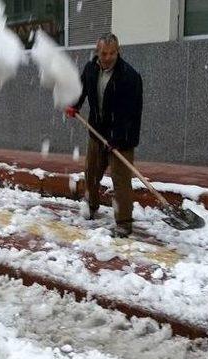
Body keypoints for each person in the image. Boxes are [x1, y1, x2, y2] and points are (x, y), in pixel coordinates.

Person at [65, 33, 143, 237]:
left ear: (118, 51)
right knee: (91, 172)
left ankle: (124, 222)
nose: (108, 57)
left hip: (121, 138)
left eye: (112, 53)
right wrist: (75, 104)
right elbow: (81, 89)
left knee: (121, 181)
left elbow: (131, 113)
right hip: (97, 132)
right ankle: (91, 205)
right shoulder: (91, 68)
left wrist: (118, 139)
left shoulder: (129, 76)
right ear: (97, 52)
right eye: (104, 53)